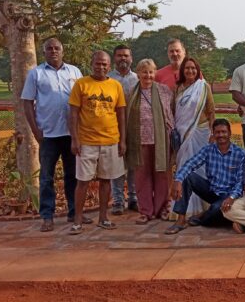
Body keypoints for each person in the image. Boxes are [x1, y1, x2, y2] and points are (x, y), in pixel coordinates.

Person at [21, 37, 84, 232]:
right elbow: (27, 103)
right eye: (49, 49)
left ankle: (74, 213)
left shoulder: (75, 72)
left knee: (72, 175)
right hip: (47, 135)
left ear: (63, 51)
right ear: (44, 52)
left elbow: (82, 101)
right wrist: (35, 130)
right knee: (47, 177)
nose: (53, 51)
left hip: (71, 133)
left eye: (57, 48)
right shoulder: (36, 74)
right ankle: (47, 216)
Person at [67, 51, 126, 235]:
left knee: (106, 180)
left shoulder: (115, 86)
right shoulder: (81, 84)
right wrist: (75, 139)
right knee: (83, 181)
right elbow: (74, 113)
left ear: (110, 66)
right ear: (91, 64)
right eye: (98, 63)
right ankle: (77, 219)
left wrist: (123, 140)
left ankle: (103, 217)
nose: (101, 67)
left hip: (110, 140)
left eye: (105, 64)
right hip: (87, 141)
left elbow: (121, 114)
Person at [166, 119, 245, 234]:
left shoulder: (240, 154)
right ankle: (181, 220)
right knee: (188, 177)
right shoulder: (208, 150)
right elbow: (191, 164)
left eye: (224, 132)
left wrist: (232, 198)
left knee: (216, 211)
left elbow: (241, 181)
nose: (221, 135)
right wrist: (178, 180)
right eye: (217, 132)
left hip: (228, 195)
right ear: (213, 134)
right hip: (211, 190)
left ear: (229, 133)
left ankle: (204, 216)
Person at [124, 59, 174, 224]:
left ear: (155, 73)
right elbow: (126, 117)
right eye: (144, 72)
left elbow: (171, 112)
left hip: (161, 140)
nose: (148, 75)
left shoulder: (164, 90)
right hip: (139, 141)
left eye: (151, 72)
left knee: (162, 175)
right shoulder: (132, 92)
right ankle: (146, 211)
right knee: (141, 177)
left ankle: (162, 209)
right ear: (138, 74)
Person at [173, 56, 216, 224]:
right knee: (183, 166)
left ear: (198, 71)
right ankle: (184, 208)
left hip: (201, 132)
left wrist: (213, 132)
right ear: (182, 71)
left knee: (201, 168)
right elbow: (174, 111)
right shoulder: (177, 89)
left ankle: (202, 206)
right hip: (183, 134)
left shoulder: (203, 87)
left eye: (193, 68)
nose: (190, 71)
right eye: (187, 68)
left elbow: (211, 111)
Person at [108, 44, 139, 214]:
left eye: (126, 55)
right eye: (119, 55)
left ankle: (133, 198)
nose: (123, 59)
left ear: (131, 58)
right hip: (113, 128)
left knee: (133, 164)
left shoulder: (137, 79)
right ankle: (118, 200)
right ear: (114, 58)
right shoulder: (108, 79)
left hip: (134, 126)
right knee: (117, 165)